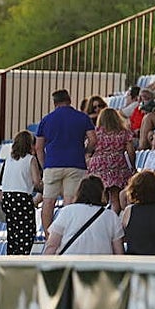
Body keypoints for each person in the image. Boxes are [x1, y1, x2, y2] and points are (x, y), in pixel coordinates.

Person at [36, 89, 97, 235]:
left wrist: (44, 165)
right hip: (76, 163)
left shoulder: (46, 120)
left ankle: (49, 236)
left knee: (48, 202)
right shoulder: (82, 117)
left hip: (52, 163)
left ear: (54, 103)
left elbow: (38, 147)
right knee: (70, 202)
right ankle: (68, 235)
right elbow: (93, 139)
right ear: (69, 100)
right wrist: (86, 151)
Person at [42, 175, 124, 256]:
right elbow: (118, 251)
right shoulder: (111, 216)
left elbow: (52, 245)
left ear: (79, 192)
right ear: (101, 193)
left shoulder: (67, 211)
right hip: (101, 263)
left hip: (70, 262)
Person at [0, 131, 41, 255]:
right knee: (26, 233)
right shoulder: (30, 159)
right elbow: (36, 182)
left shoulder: (9, 159)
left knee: (13, 234)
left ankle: (12, 258)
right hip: (22, 198)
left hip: (8, 198)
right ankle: (22, 257)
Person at [86, 107, 134, 214]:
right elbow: (131, 151)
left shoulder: (96, 132)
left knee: (98, 196)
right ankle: (113, 218)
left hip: (98, 165)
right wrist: (132, 166)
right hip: (117, 165)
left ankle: (98, 217)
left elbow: (89, 147)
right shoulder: (124, 132)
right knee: (115, 197)